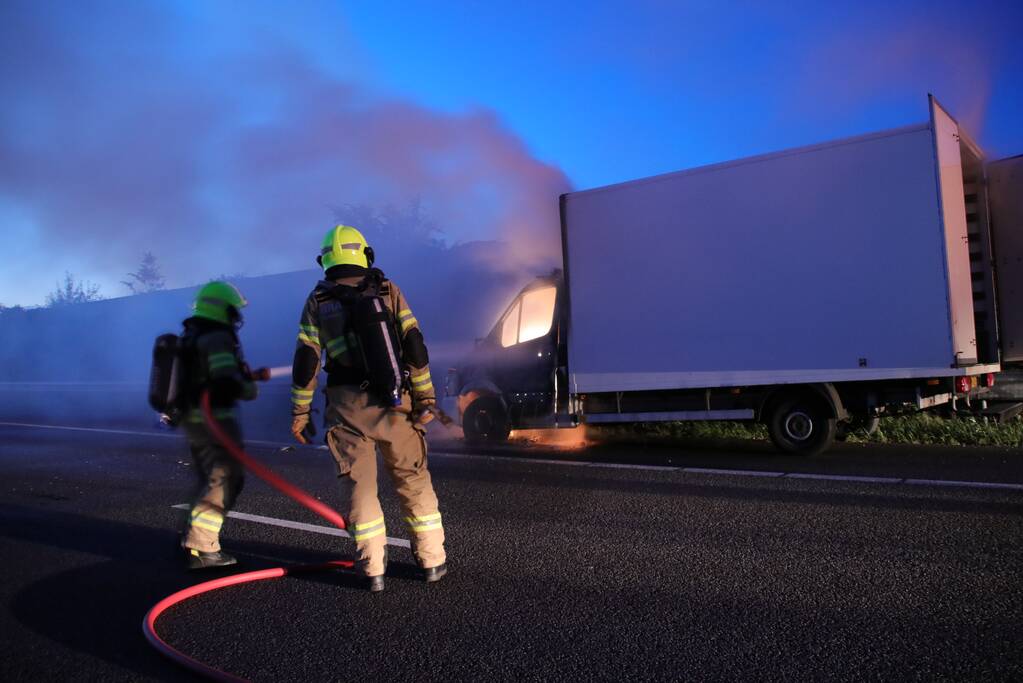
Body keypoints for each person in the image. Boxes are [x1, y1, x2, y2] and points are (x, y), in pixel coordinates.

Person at [290, 224, 446, 592]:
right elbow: (414, 347)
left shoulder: (318, 300)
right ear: (365, 254)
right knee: (413, 480)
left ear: (325, 259)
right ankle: (432, 562)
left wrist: (300, 414)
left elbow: (306, 361)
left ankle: (373, 569)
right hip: (395, 404)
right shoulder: (388, 290)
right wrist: (426, 399)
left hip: (346, 407)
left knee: (360, 488)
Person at [179, 281, 258, 569]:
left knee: (210, 478)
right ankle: (201, 547)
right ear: (223, 309)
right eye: (234, 310)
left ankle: (191, 537)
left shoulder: (192, 334)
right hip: (216, 423)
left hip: (194, 421)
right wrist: (247, 388)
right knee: (225, 481)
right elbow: (225, 383)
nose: (237, 317)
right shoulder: (217, 338)